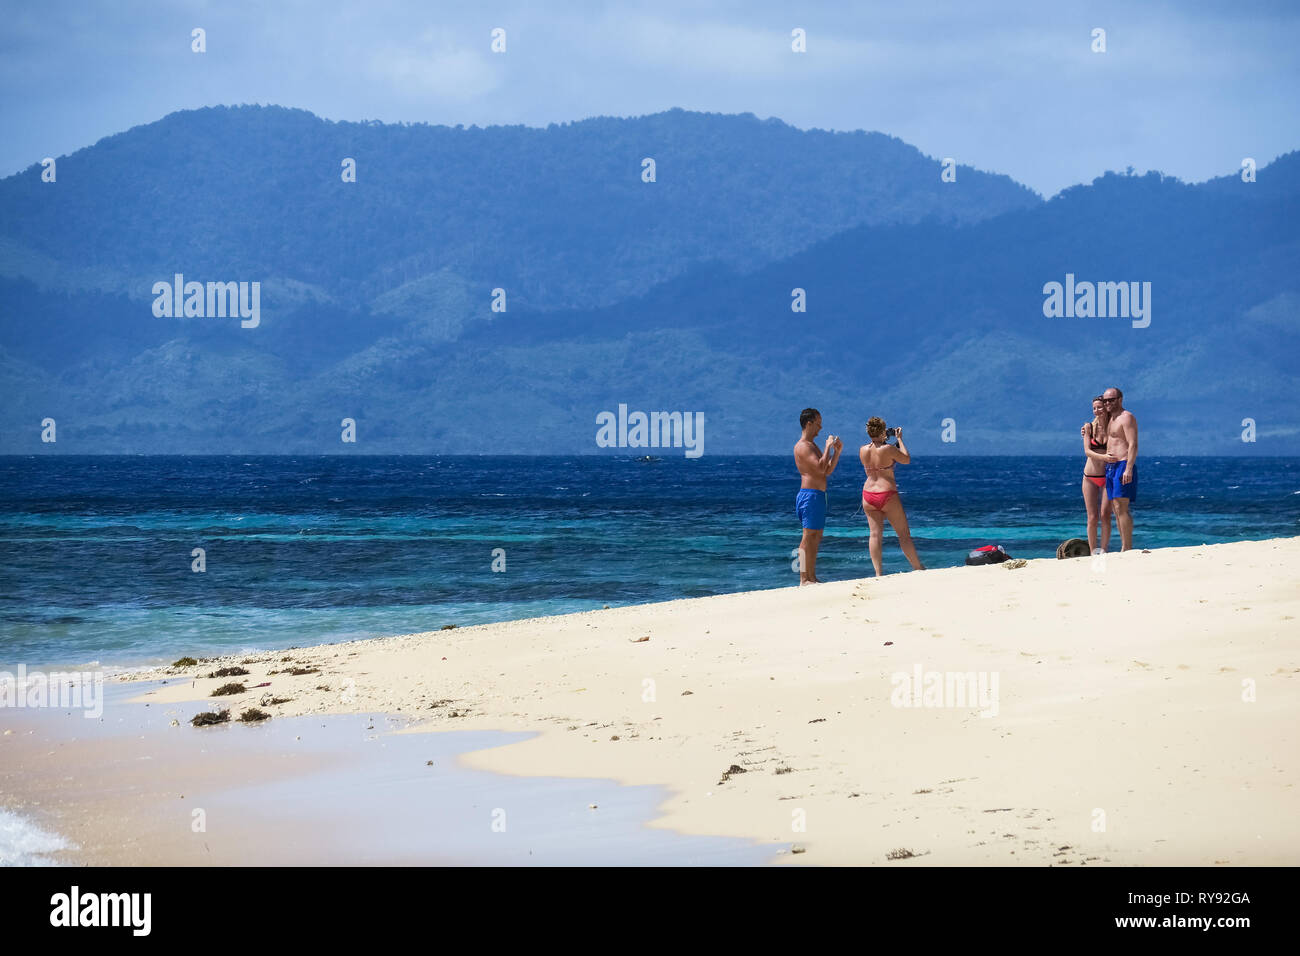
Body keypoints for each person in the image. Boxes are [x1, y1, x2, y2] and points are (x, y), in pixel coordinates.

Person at [858, 417, 925, 577]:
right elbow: (906, 459)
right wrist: (900, 440)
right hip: (887, 493)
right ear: (882, 431)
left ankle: (878, 573)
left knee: (874, 534)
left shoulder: (862, 450)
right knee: (903, 534)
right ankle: (918, 568)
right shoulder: (888, 449)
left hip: (868, 494)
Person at [793, 408, 842, 585]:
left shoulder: (812, 445)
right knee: (808, 536)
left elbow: (826, 470)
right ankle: (803, 578)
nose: (821, 428)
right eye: (818, 424)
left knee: (816, 536)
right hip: (810, 495)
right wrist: (828, 446)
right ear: (809, 423)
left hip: (818, 495)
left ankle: (811, 576)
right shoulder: (803, 446)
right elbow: (820, 468)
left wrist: (836, 452)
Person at [1100, 386, 1139, 551]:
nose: (1108, 403)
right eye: (1105, 400)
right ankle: (1124, 545)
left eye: (1111, 400)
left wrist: (1128, 468)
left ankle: (1127, 547)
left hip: (1123, 464)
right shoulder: (1110, 418)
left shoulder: (1126, 417)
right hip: (1110, 467)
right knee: (1116, 507)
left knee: (1122, 506)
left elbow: (1133, 444)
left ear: (1120, 400)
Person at [1080, 396, 1114, 554]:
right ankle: (1093, 550)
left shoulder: (1113, 426)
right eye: (1094, 408)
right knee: (1092, 517)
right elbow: (1087, 451)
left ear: (1106, 407)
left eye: (1100, 407)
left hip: (1107, 477)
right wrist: (1105, 457)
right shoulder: (1088, 427)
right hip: (1090, 476)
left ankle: (1104, 550)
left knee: (1105, 514)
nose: (1097, 410)